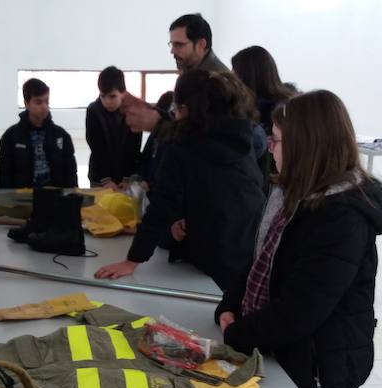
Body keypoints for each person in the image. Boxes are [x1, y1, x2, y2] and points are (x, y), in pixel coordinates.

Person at [215, 90, 382, 388]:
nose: (269, 148)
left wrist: (239, 333)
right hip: (276, 342)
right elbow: (263, 260)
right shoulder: (292, 192)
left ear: (306, 146)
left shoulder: (342, 217)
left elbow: (302, 309)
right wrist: (231, 304)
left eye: (277, 140)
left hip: (315, 363)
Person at [95, 70, 265, 290]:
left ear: (186, 109)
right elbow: (224, 191)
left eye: (177, 108)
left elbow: (162, 208)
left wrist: (132, 260)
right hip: (249, 251)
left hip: (211, 261)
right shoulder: (242, 136)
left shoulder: (184, 147)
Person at [122, 13, 227, 134]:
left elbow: (201, 136)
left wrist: (156, 125)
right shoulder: (191, 71)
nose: (172, 51)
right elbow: (176, 118)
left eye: (179, 44)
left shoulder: (217, 81)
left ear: (201, 45)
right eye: (172, 44)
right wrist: (146, 107)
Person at [231, 45, 297, 192]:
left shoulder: (284, 114)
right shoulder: (250, 110)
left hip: (277, 188)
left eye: (234, 75)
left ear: (247, 77)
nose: (231, 82)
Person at [0, 78, 78, 189]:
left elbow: (71, 171)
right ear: (26, 103)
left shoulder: (61, 135)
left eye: (47, 101)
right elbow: (4, 174)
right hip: (22, 201)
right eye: (38, 102)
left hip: (54, 199)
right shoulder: (11, 137)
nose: (44, 106)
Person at [86, 66, 142, 188]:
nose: (107, 101)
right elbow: (96, 146)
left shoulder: (135, 110)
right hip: (99, 177)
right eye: (102, 96)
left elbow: (133, 148)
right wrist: (105, 179)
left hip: (125, 178)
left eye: (112, 96)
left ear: (123, 93)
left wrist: (127, 178)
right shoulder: (93, 110)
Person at [230, 45, 296, 134]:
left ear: (248, 76)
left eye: (234, 71)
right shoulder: (288, 105)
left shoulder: (279, 113)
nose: (231, 76)